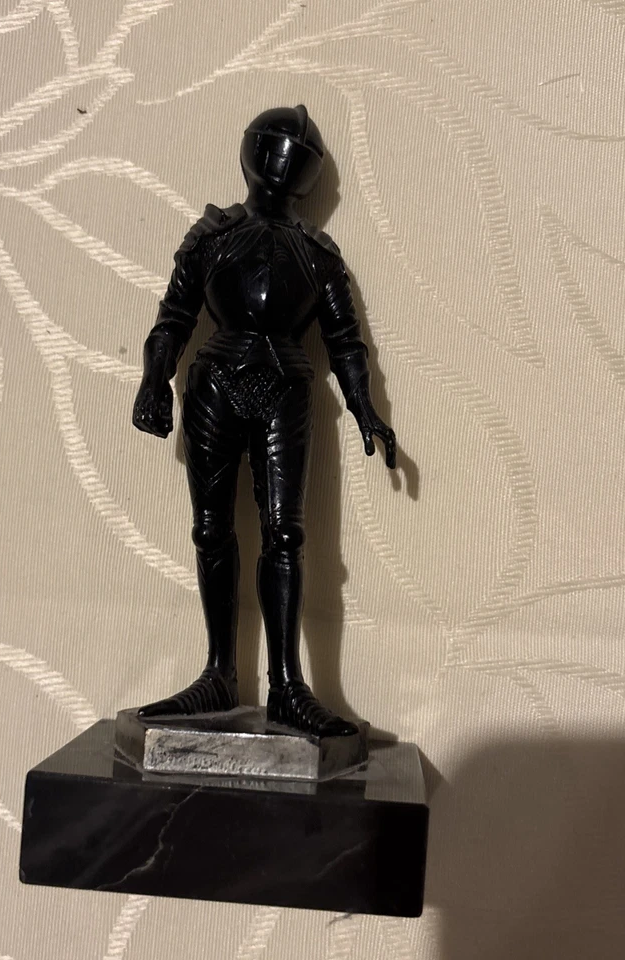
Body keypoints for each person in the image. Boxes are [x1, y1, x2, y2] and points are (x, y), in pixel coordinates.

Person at [132, 105, 396, 737]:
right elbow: (173, 319)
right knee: (210, 529)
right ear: (253, 155)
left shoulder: (318, 254)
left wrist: (365, 406)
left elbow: (345, 339)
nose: (284, 165)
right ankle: (219, 672)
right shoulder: (213, 235)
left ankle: (285, 683)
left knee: (284, 534)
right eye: (279, 150)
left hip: (285, 388)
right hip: (216, 382)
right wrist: (153, 379)